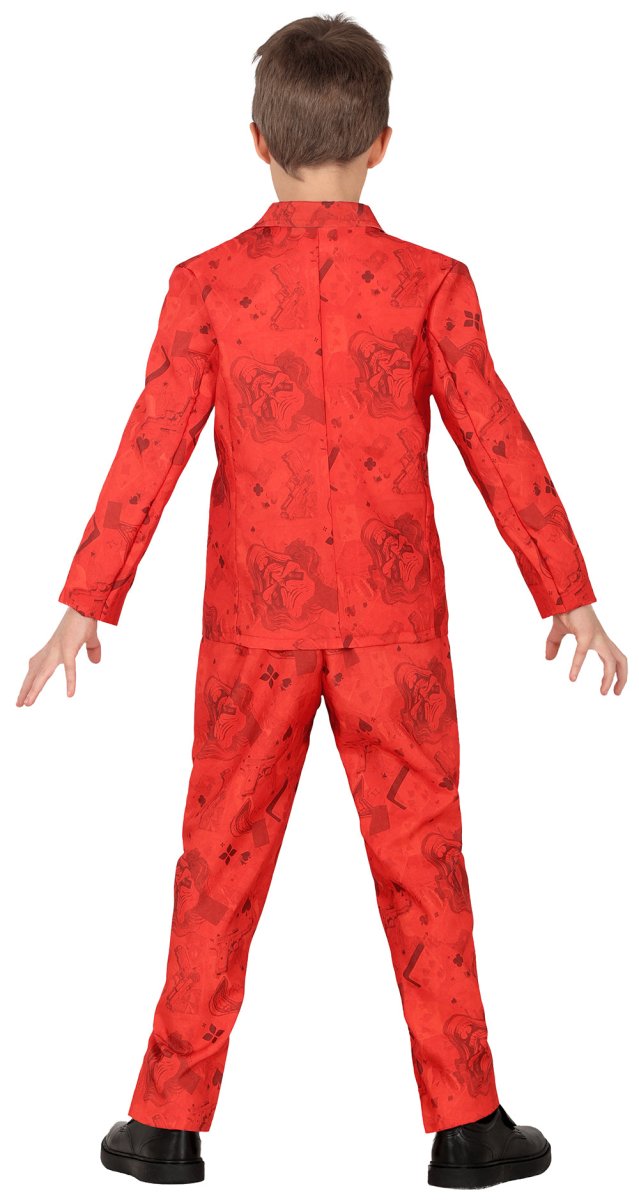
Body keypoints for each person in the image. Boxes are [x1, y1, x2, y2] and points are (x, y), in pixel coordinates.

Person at [17, 12, 627, 1192]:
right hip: (397, 633)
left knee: (217, 859)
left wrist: (87, 601)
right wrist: (567, 591)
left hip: (254, 628)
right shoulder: (432, 284)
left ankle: (163, 1124)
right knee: (425, 860)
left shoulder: (206, 285)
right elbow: (497, 438)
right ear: (383, 142)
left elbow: (151, 445)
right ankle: (467, 1125)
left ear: (257, 141)